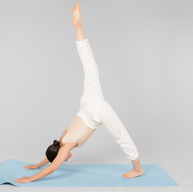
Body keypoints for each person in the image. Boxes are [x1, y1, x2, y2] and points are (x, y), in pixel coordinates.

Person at [14, 1, 143, 184]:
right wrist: (36, 164)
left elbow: (53, 165)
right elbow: (51, 156)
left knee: (122, 136)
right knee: (89, 65)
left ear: (60, 153)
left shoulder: (65, 147)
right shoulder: (61, 138)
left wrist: (30, 178)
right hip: (87, 103)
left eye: (61, 157)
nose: (65, 158)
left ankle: (137, 169)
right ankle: (78, 27)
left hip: (95, 112)